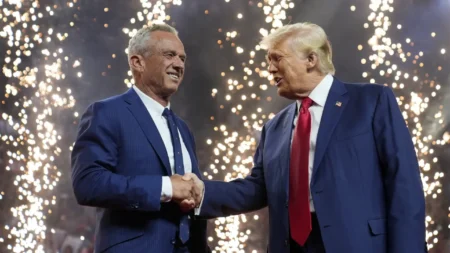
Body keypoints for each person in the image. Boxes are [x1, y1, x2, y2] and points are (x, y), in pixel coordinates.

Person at [185, 22, 427, 253]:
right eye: (268, 60)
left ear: (311, 60)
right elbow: (258, 189)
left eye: (277, 58)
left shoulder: (371, 101)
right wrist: (201, 192)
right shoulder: (273, 128)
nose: (270, 69)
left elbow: (403, 183)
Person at [71, 23, 209, 253]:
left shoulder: (183, 129)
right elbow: (88, 183)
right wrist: (166, 187)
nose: (179, 64)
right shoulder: (107, 113)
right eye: (169, 55)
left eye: (182, 58)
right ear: (138, 62)